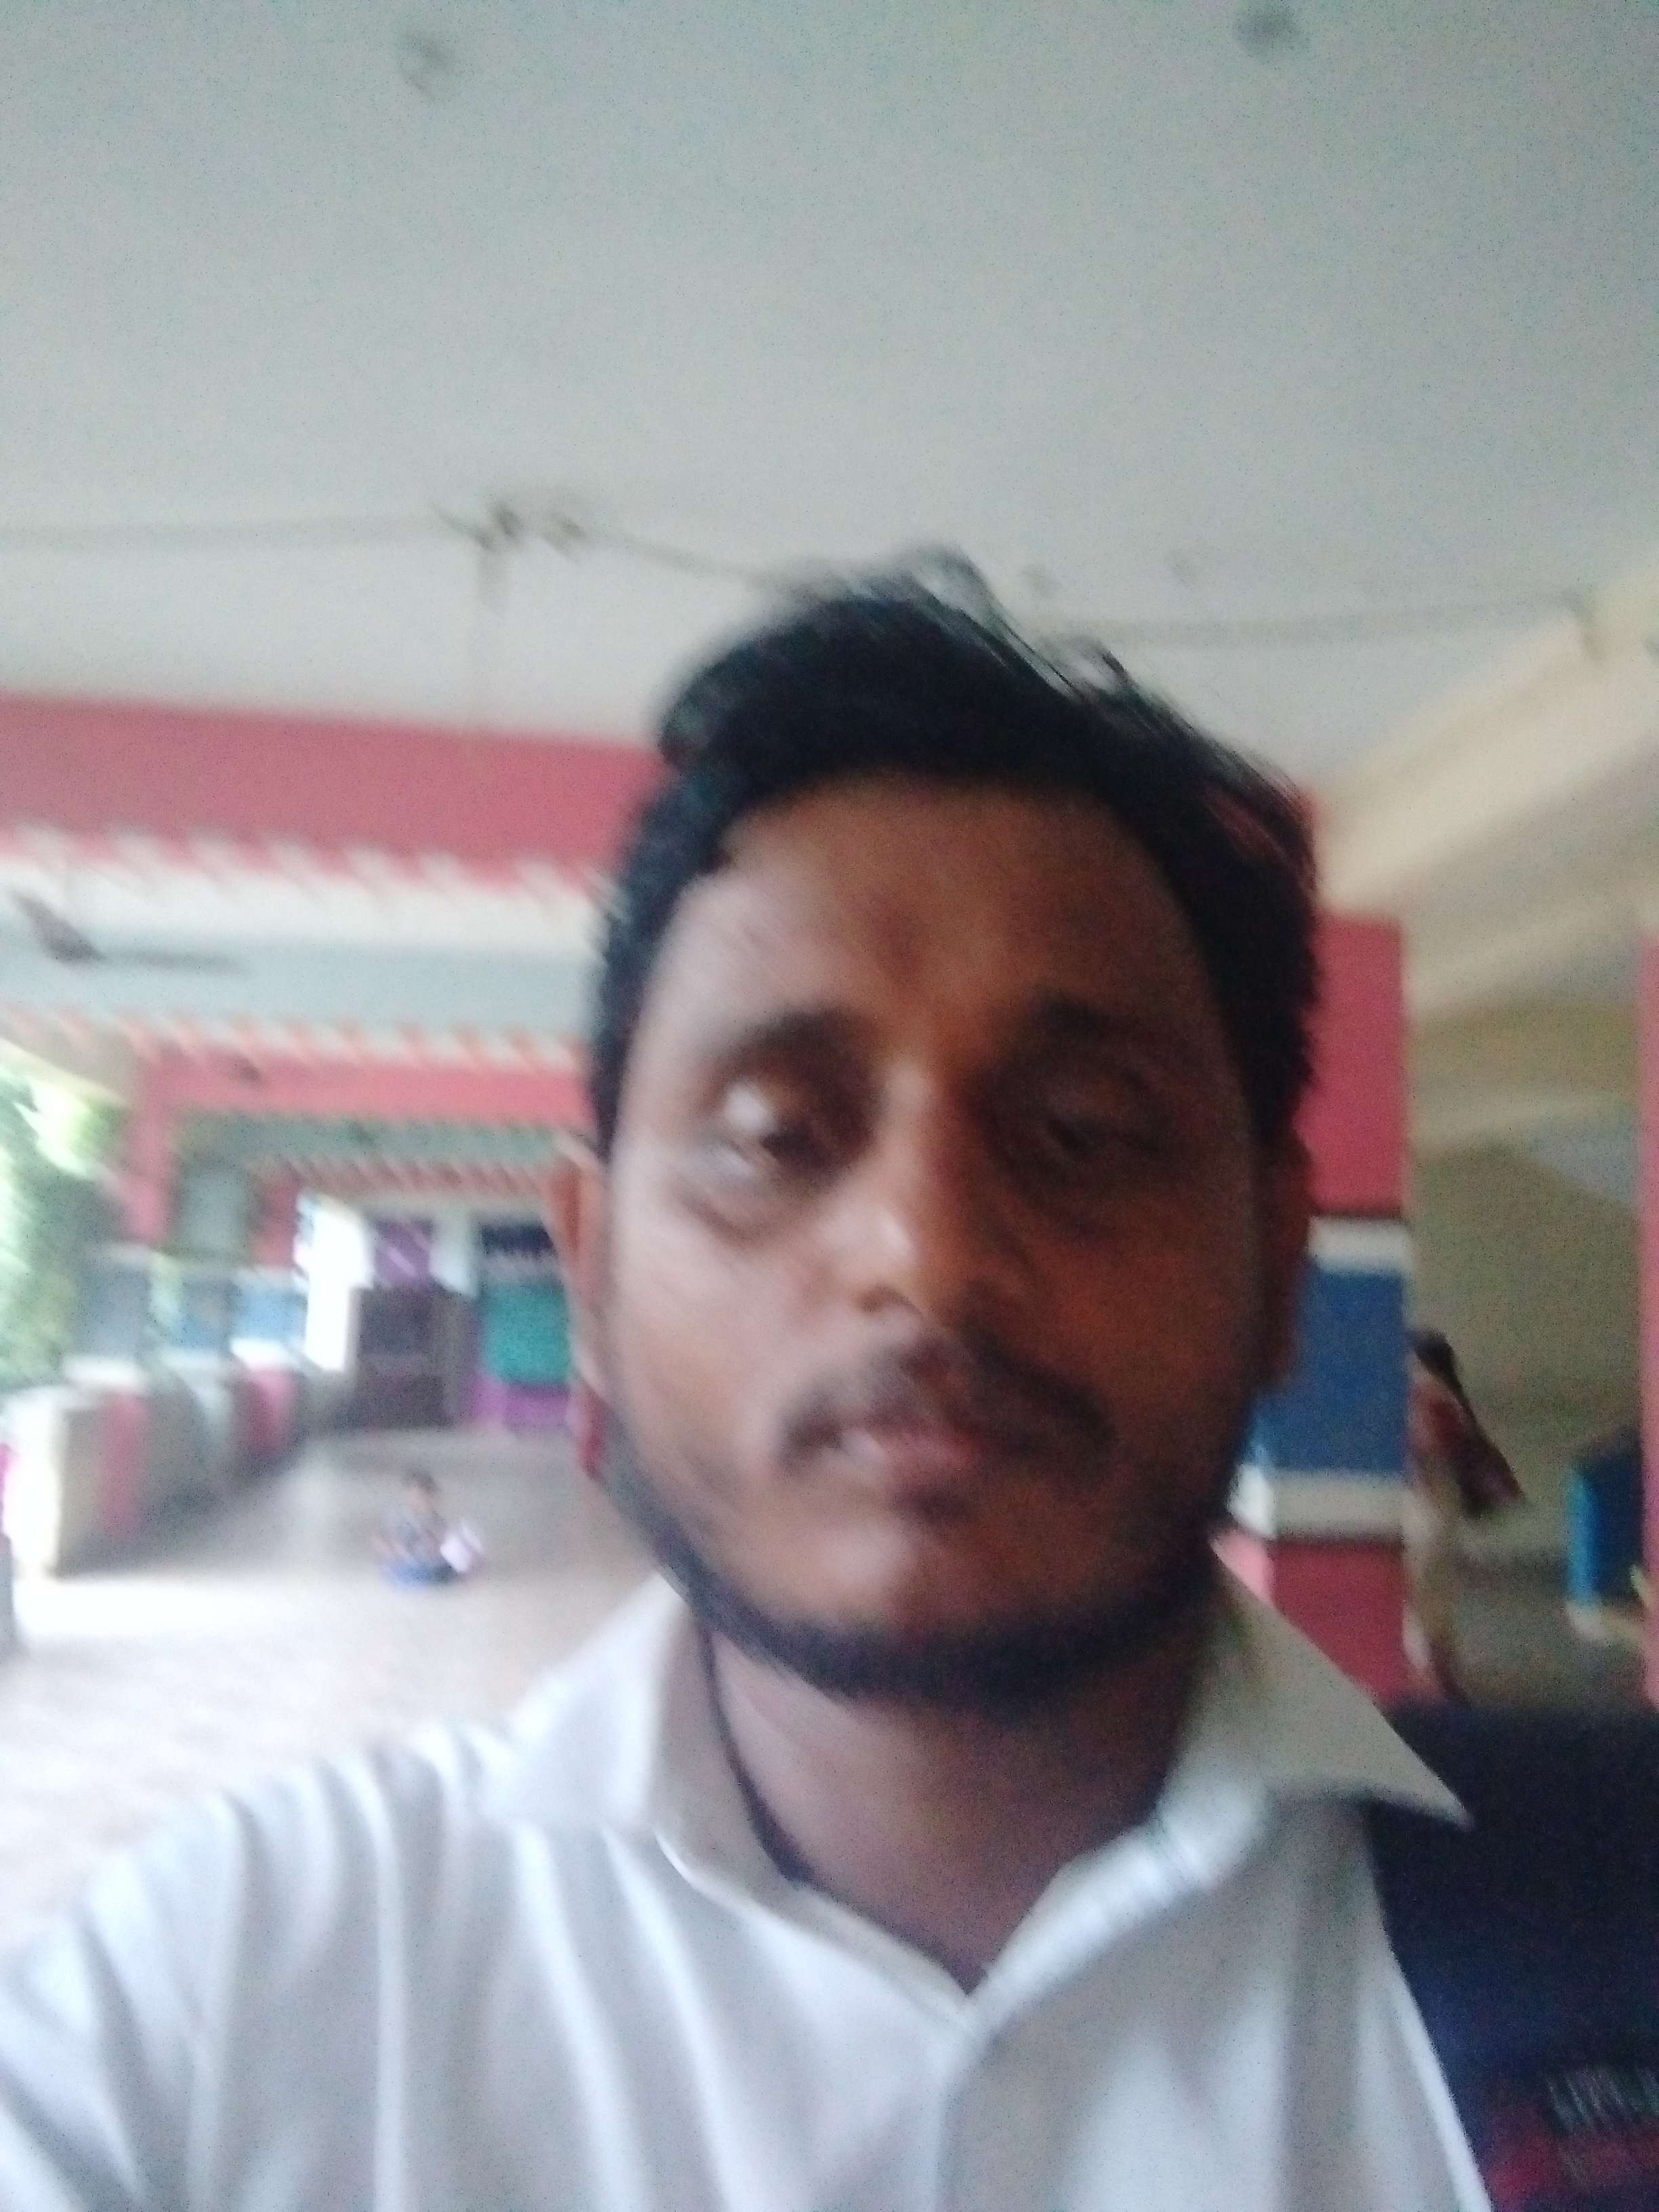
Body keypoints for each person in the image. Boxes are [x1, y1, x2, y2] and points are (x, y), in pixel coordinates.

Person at [0, 567, 1496, 2207]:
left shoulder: (1594, 1939)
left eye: (1081, 1132)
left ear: (1278, 1263)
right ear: (592, 1266)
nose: (925, 1258)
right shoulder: (218, 2008)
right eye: (775, 1136)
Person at [1402, 1329, 1520, 1699]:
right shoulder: (1451, 1400)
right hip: (1443, 1508)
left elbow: (1423, 1449)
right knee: (1436, 1593)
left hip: (1424, 1507)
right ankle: (1442, 1674)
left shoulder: (1426, 1398)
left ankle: (1431, 1679)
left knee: (1421, 1594)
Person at [373, 1467, 480, 1585]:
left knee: (462, 1535)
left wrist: (435, 1539)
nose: (418, 1499)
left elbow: (443, 1541)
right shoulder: (398, 1517)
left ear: (430, 1496)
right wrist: (394, 1548)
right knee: (383, 1541)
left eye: (422, 1495)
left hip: (433, 1565)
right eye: (414, 1495)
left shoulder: (435, 1518)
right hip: (406, 1562)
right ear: (407, 1494)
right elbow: (390, 1539)